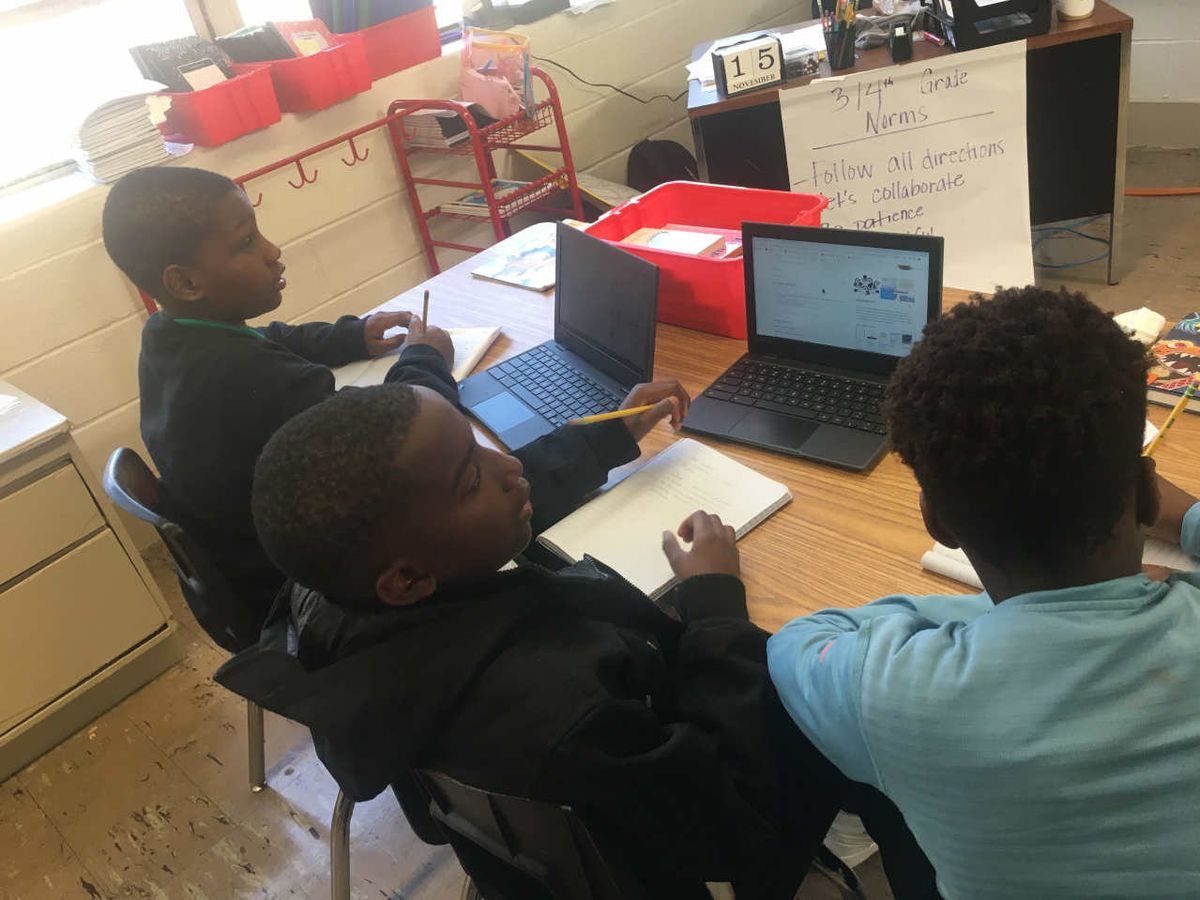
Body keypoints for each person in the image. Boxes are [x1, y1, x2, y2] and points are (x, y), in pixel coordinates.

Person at [216, 381, 931, 899]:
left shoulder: (328, 597)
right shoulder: (566, 709)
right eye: (473, 478)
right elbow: (735, 821)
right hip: (710, 843)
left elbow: (451, 519)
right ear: (405, 579)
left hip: (550, 853)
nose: (510, 468)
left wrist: (606, 436)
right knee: (882, 724)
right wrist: (715, 604)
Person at [767, 286, 1200, 899]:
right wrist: (1189, 521)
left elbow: (799, 641)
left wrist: (990, 618)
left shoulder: (892, 689)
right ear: (1148, 495)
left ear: (936, 521)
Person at [101, 166, 457, 636]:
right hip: (299, 593)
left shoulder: (170, 333)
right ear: (185, 283)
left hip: (246, 563)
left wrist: (350, 336)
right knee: (468, 498)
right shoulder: (245, 376)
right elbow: (397, 434)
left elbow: (269, 338)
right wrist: (424, 358)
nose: (272, 251)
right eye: (247, 242)